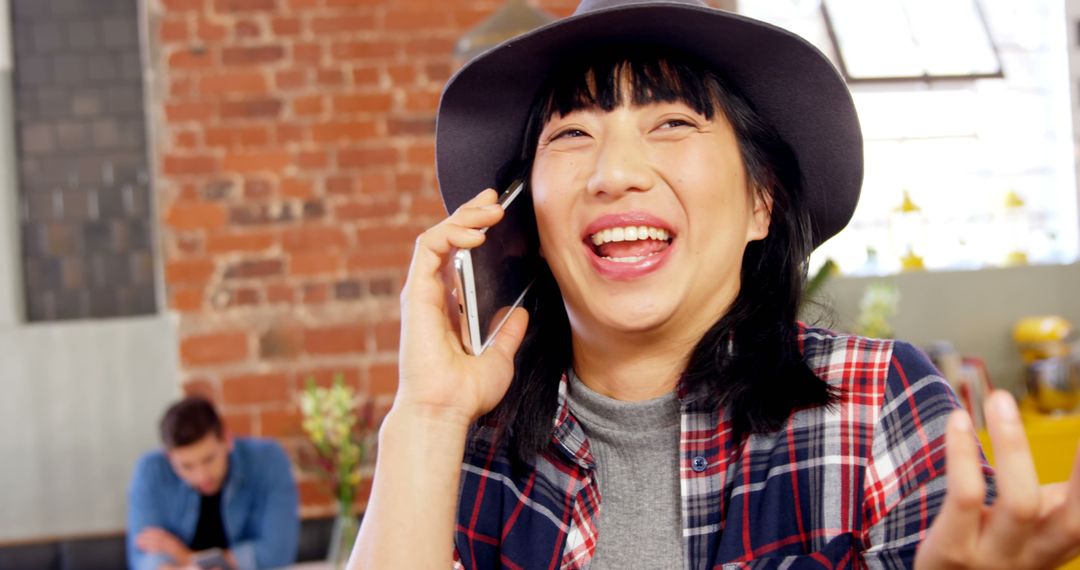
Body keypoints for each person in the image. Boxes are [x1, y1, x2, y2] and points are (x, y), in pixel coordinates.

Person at [355, 0, 1080, 568]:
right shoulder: (466, 448)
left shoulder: (875, 405)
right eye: (572, 135)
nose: (614, 175)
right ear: (522, 218)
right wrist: (426, 414)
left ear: (761, 202)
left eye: (672, 122)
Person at [127, 396, 299, 570]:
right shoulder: (151, 471)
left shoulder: (268, 460)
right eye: (187, 467)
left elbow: (276, 555)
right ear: (170, 458)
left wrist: (184, 556)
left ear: (227, 439)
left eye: (209, 459)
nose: (202, 476)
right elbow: (144, 558)